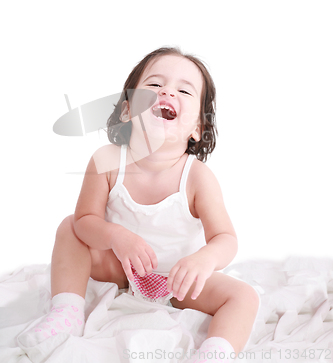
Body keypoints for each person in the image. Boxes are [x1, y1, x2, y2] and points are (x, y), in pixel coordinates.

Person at [18, 47, 260, 362]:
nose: (167, 91)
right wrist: (116, 237)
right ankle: (67, 311)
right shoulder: (106, 160)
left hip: (178, 280)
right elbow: (85, 220)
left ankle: (215, 352)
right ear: (127, 110)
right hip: (119, 267)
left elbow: (226, 238)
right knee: (68, 228)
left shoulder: (197, 177)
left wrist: (204, 259)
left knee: (244, 296)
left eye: (184, 90)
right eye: (155, 85)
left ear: (196, 128)